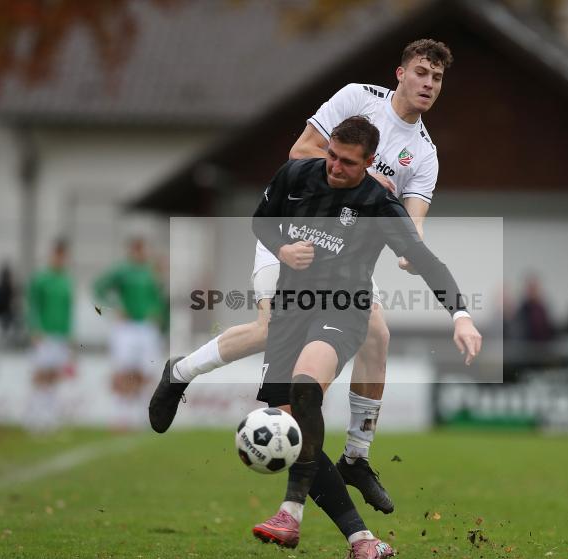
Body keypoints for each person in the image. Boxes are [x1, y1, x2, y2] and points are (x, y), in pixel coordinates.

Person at [150, 39, 453, 514]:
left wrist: (412, 254)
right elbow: (300, 151)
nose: (428, 83)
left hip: (345, 257)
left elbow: (413, 223)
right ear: (400, 73)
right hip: (294, 236)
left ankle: (356, 457)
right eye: (421, 72)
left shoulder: (425, 154)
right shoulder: (357, 98)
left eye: (436, 77)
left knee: (378, 334)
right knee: (271, 328)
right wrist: (367, 180)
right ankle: (181, 372)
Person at [245, 116, 481, 559]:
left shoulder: (380, 205)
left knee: (305, 389)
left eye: (348, 162)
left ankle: (289, 512)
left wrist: (461, 316)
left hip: (343, 309)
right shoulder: (297, 173)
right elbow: (262, 222)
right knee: (294, 429)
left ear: (370, 161)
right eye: (332, 156)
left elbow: (427, 262)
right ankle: (362, 540)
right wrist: (282, 249)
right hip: (290, 311)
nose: (335, 167)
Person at [94, 237, 164, 428]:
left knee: (144, 372)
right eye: (137, 249)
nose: (140, 253)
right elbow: (99, 288)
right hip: (126, 327)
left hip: (146, 327)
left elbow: (157, 297)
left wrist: (156, 312)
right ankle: (120, 414)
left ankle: (142, 414)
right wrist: (114, 307)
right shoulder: (122, 271)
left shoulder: (151, 271)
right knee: (123, 371)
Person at [26, 239, 74, 432]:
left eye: (63, 256)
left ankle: (49, 414)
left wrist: (69, 333)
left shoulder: (66, 281)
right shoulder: (41, 279)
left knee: (54, 375)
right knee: (41, 374)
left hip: (60, 334)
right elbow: (32, 305)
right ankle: (34, 414)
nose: (60, 259)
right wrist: (34, 327)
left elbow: (68, 310)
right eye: (57, 255)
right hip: (44, 334)